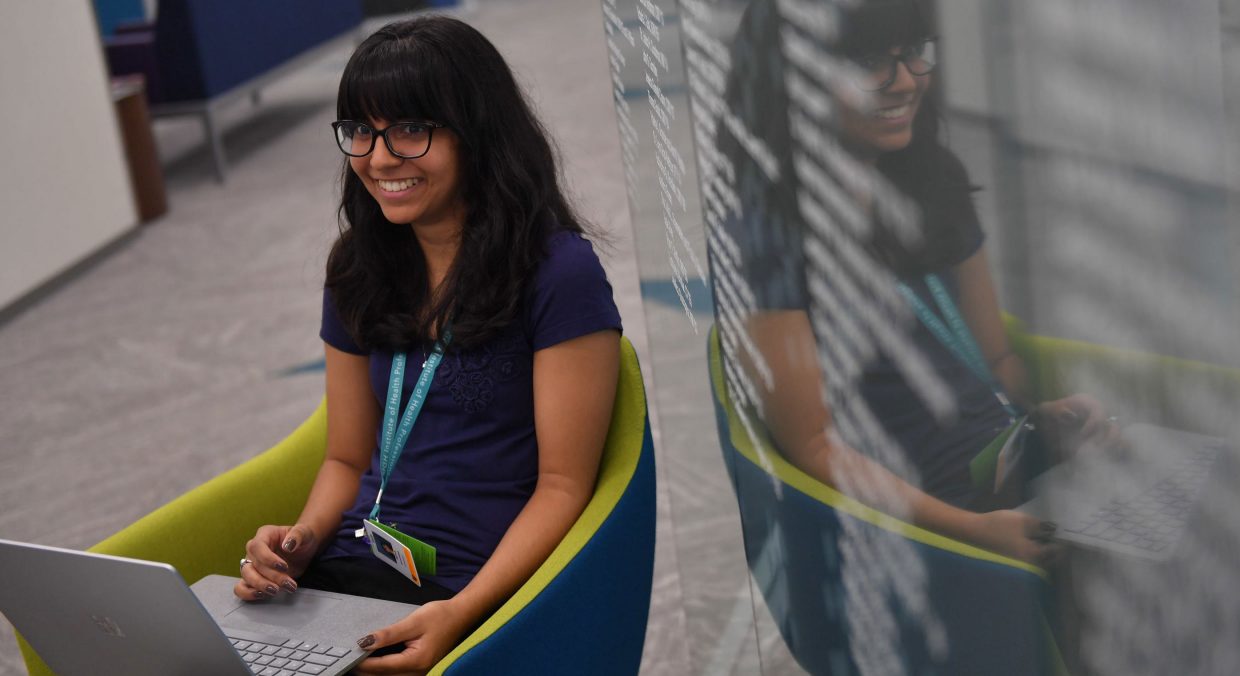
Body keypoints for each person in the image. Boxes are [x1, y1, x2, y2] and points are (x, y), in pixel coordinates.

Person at [234, 16, 622, 673]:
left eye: (411, 129)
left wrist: (460, 614)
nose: (379, 159)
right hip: (351, 568)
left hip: (470, 590)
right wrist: (299, 542)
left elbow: (562, 487)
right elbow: (347, 458)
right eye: (361, 131)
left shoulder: (558, 273)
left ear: (476, 134)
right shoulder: (359, 265)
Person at [718, 0, 1119, 564]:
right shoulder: (767, 237)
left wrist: (1042, 419)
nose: (904, 81)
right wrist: (974, 531)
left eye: (911, 55)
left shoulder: (936, 181)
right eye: (867, 63)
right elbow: (812, 449)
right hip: (918, 529)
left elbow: (995, 359)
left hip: (1000, 476)